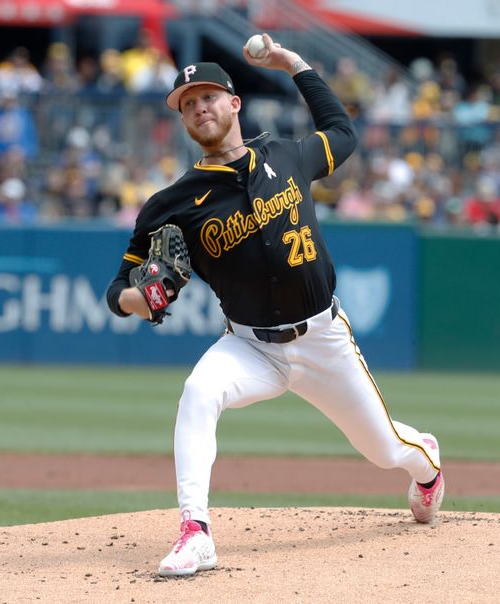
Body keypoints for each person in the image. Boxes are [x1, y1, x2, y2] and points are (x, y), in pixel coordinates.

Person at [105, 34, 445, 577]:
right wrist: (138, 298)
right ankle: (196, 531)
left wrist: (294, 63)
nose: (199, 108)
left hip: (324, 340)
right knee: (198, 392)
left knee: (384, 450)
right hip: (250, 346)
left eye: (208, 97)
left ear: (233, 103)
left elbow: (343, 132)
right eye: (188, 104)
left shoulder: (286, 154)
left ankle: (426, 465)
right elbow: (119, 287)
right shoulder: (170, 205)